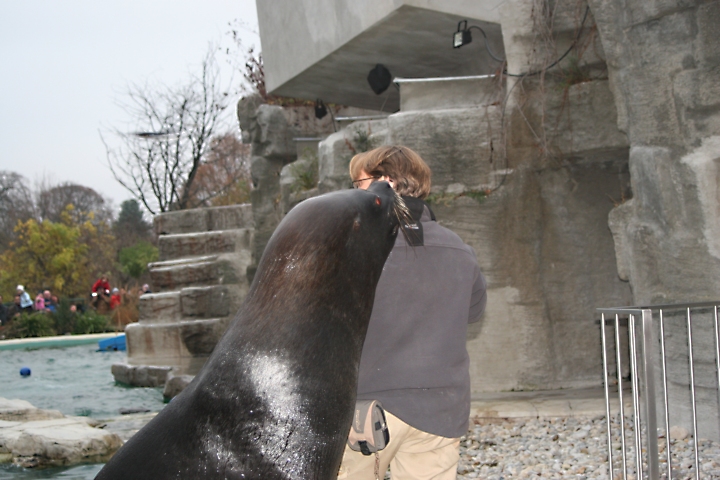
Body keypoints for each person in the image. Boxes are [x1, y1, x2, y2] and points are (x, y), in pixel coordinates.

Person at [338, 146, 487, 480]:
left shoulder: (354, 249)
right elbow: (475, 310)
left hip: (368, 411)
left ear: (386, 181)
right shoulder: (459, 249)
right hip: (441, 410)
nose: (352, 191)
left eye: (357, 182)